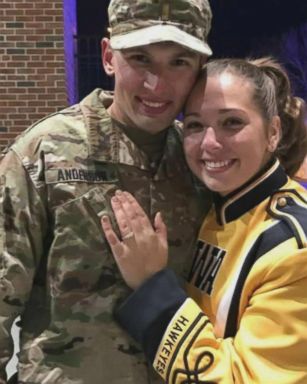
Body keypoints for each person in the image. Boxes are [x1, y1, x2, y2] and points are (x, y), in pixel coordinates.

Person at [0, 0, 213, 383]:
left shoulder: (201, 161)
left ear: (199, 70)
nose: (157, 84)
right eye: (140, 58)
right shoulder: (43, 156)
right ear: (108, 56)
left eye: (179, 62)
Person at [101, 57, 307, 383]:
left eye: (232, 123)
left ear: (273, 132)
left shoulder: (294, 247)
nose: (209, 144)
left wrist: (151, 285)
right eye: (195, 125)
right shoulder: (216, 205)